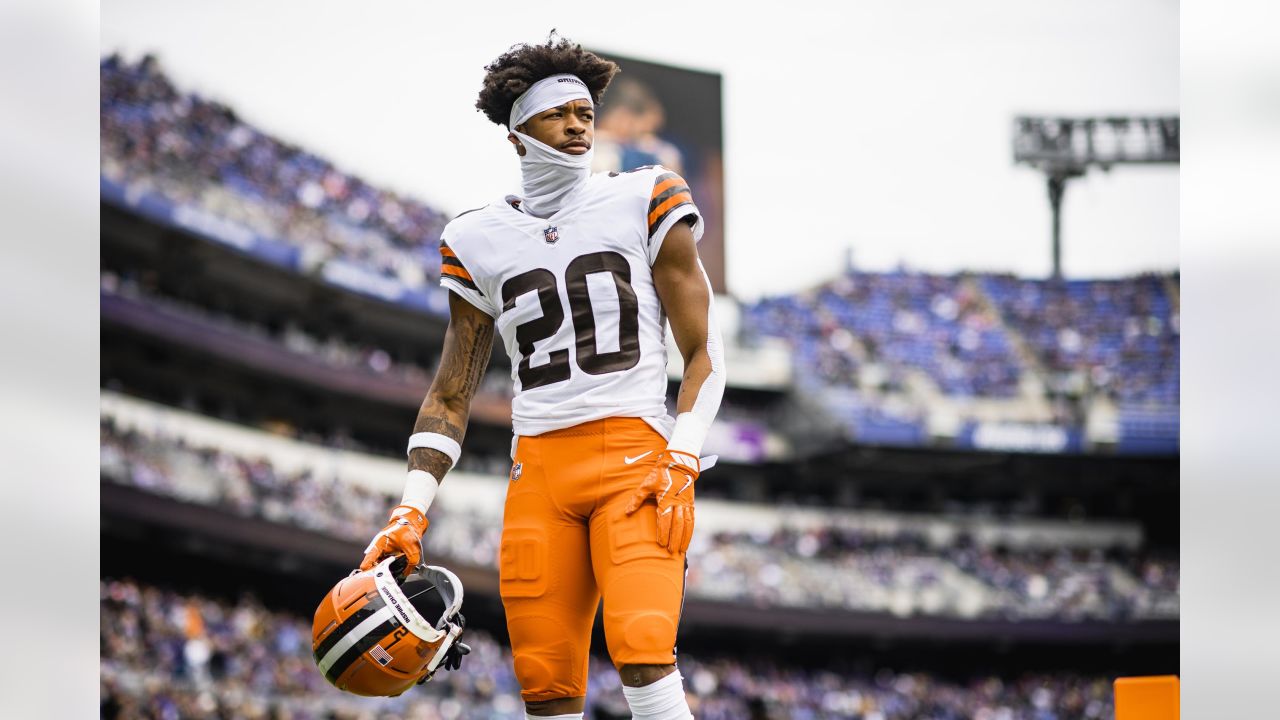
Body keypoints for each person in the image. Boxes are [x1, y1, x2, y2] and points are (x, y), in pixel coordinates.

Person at [358, 35, 725, 720]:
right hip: (540, 475)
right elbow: (450, 392)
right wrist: (410, 509)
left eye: (587, 112)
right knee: (546, 689)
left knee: (645, 654)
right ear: (518, 132)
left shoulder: (645, 196)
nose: (580, 123)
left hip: (636, 462)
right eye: (560, 113)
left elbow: (705, 351)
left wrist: (683, 452)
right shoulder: (476, 238)